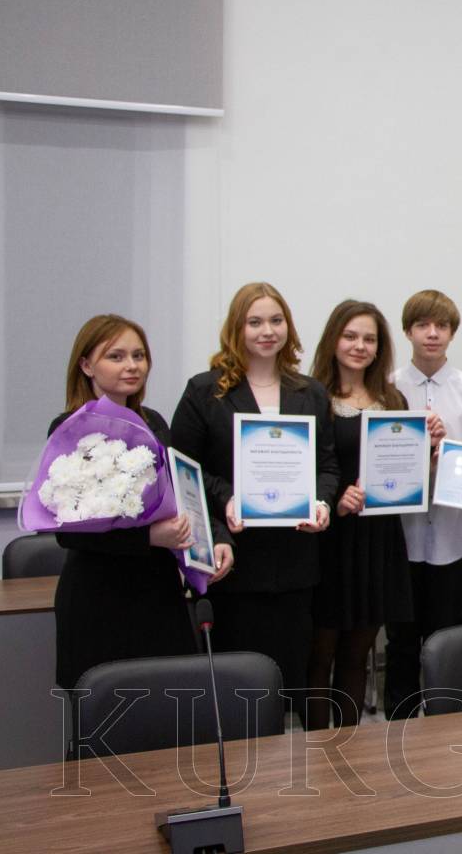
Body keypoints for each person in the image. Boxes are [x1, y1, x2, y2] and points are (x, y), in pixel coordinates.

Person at [170, 282, 338, 698]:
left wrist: (321, 502)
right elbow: (184, 472)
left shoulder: (310, 392)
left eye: (276, 321)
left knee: (288, 685)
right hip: (234, 564)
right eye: (255, 322)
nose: (268, 331)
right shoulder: (205, 391)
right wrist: (228, 497)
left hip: (295, 565)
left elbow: (327, 465)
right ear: (237, 328)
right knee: (238, 689)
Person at [51, 315, 233, 688]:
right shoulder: (70, 428)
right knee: (103, 711)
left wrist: (215, 538)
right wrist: (147, 537)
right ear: (86, 365)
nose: (132, 366)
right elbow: (68, 533)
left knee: (170, 707)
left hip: (157, 593)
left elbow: (184, 492)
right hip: (97, 597)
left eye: (139, 355)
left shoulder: (154, 422)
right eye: (116, 356)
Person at [304, 300, 427, 729]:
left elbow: (406, 467)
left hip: (378, 540)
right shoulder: (312, 396)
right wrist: (335, 499)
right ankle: (316, 749)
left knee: (358, 654)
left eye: (369, 339)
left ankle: (348, 751)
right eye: (350, 336)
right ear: (333, 340)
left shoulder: (393, 399)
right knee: (320, 655)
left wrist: (428, 447)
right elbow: (304, 467)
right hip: (330, 540)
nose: (360, 346)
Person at [384, 289, 462, 719]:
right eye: (423, 325)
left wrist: (446, 454)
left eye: (442, 326)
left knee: (445, 638)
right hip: (402, 536)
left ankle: (444, 723)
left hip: (453, 536)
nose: (432, 333)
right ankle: (399, 723)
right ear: (408, 331)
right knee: (400, 640)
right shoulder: (388, 388)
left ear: (452, 332)